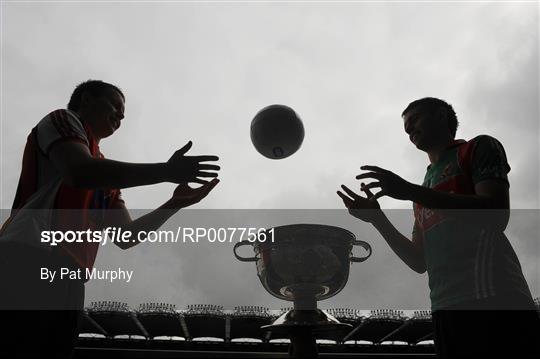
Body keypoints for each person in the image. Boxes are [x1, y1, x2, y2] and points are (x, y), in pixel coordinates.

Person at [0, 80, 220, 357]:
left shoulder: (105, 176)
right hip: (26, 255)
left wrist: (173, 204)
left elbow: (125, 237)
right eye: (115, 105)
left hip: (70, 275)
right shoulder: (62, 120)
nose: (122, 116)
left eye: (123, 111)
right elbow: (79, 172)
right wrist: (166, 171)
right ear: (87, 100)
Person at [337, 97, 539, 358]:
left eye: (415, 121)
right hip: (445, 308)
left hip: (495, 298)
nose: (409, 130)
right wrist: (377, 219)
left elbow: (496, 214)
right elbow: (418, 261)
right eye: (406, 128)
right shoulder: (424, 188)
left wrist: (411, 191)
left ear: (442, 116)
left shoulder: (478, 147)